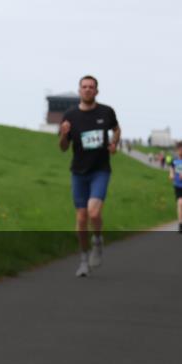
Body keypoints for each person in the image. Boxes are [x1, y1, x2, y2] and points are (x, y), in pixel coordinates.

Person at [59, 75, 121, 277]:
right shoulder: (70, 115)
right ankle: (84, 260)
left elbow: (116, 129)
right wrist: (63, 134)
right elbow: (63, 148)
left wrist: (114, 143)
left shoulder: (106, 111)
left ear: (96, 91)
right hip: (78, 171)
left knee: (94, 213)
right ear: (79, 90)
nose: (87, 90)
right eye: (84, 87)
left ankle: (98, 240)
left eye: (91, 87)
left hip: (100, 170)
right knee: (81, 218)